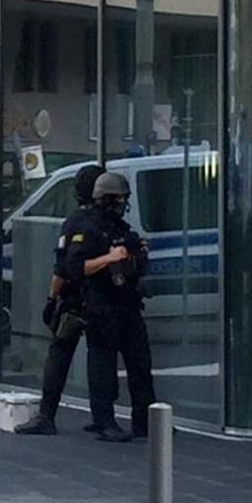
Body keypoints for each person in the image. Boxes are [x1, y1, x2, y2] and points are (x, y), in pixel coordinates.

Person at [65, 172, 157, 442]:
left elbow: (134, 261)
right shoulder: (88, 228)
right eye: (118, 199)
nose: (121, 205)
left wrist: (137, 253)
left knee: (140, 364)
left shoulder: (121, 228)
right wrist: (108, 258)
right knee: (102, 366)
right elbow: (75, 268)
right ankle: (104, 421)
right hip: (101, 304)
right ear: (104, 199)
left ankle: (146, 420)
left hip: (127, 303)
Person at [15, 164, 105, 435]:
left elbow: (64, 268)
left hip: (75, 300)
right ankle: (103, 417)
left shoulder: (77, 222)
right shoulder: (110, 221)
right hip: (104, 300)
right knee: (101, 359)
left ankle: (47, 415)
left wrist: (51, 299)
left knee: (60, 354)